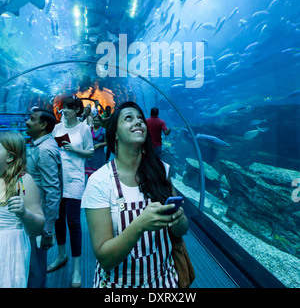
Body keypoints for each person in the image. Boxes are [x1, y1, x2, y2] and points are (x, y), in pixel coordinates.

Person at [81, 101, 188, 288]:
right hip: (118, 285)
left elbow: (181, 231)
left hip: (163, 282)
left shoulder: (161, 170)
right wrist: (138, 225)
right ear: (114, 133)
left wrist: (179, 221)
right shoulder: (99, 182)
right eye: (128, 118)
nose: (138, 122)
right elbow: (105, 259)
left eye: (140, 118)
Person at [48, 95, 94, 288]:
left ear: (77, 110)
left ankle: (76, 268)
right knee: (58, 219)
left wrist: (74, 149)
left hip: (75, 179)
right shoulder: (57, 128)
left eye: (68, 108)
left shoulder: (84, 128)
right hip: (58, 179)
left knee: (74, 222)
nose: (64, 111)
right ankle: (61, 255)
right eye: (63, 107)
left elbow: (90, 151)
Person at [0, 131, 45, 288]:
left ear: (10, 157)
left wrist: (24, 213)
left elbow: (38, 226)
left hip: (10, 249)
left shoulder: (23, 182)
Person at [25, 108, 63, 288]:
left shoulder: (44, 151)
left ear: (43, 125)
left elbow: (53, 191)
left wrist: (47, 229)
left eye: (32, 119)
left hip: (38, 218)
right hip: (34, 214)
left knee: (35, 266)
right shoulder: (40, 146)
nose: (27, 122)